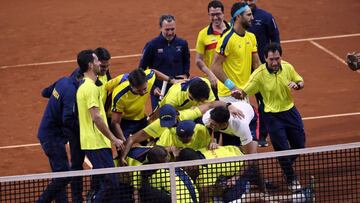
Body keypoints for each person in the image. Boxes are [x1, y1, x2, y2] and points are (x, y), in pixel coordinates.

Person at [237, 42, 306, 191]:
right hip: (272, 115)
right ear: (265, 59)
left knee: (299, 145)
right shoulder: (258, 75)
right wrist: (237, 92)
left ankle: (285, 164)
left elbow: (300, 81)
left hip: (290, 111)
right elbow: (244, 91)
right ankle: (291, 177)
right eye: (271, 59)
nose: (275, 62)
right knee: (281, 147)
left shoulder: (287, 67)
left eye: (277, 58)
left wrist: (298, 85)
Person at [119, 102, 244, 166]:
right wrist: (122, 157)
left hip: (194, 137)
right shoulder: (160, 126)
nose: (167, 126)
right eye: (165, 123)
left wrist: (229, 105)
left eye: (170, 123)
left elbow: (211, 104)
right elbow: (132, 139)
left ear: (177, 116)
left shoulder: (189, 116)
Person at [76, 49, 123, 202]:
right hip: (95, 142)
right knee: (111, 183)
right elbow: (96, 117)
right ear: (90, 65)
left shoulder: (86, 85)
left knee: (104, 182)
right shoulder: (90, 88)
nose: (100, 64)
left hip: (97, 142)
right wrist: (114, 138)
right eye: (97, 61)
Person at [37, 69, 85, 203]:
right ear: (80, 78)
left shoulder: (62, 81)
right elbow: (68, 119)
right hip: (52, 139)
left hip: (48, 134)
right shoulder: (71, 92)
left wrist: (58, 98)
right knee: (64, 176)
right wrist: (82, 129)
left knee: (60, 174)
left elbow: (45, 92)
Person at [241, 0, 281, 147]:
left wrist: (274, 61)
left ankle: (263, 134)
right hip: (243, 68)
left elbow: (275, 40)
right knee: (241, 99)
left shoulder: (266, 17)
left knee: (263, 100)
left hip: (261, 67)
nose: (248, 1)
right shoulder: (238, 18)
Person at [110, 68, 181, 142]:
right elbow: (115, 123)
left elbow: (154, 72)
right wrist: (123, 141)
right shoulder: (120, 96)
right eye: (138, 91)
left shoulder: (149, 76)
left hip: (140, 117)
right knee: (124, 148)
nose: (143, 92)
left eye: (145, 89)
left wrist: (172, 80)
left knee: (152, 141)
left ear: (147, 81)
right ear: (131, 86)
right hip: (125, 122)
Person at [211, 2, 261, 103]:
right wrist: (232, 87)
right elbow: (215, 66)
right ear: (238, 16)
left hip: (243, 92)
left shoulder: (251, 37)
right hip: (229, 95)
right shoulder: (227, 39)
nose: (252, 18)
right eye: (249, 15)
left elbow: (256, 64)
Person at [139, 14, 191, 110]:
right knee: (160, 118)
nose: (170, 32)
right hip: (159, 90)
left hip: (178, 88)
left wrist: (186, 75)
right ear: (160, 28)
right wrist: (153, 88)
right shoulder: (152, 45)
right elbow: (141, 69)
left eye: (172, 29)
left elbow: (186, 61)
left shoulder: (182, 44)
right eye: (167, 29)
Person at [176, 146, 248, 203]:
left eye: (185, 166)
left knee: (229, 197)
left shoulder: (207, 171)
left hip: (243, 167)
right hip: (234, 149)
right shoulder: (200, 151)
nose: (184, 168)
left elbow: (206, 197)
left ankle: (249, 190)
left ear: (191, 165)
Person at [195, 0, 230, 88]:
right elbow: (198, 60)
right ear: (209, 15)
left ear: (223, 14)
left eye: (218, 14)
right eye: (212, 15)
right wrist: (210, 74)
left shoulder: (233, 31)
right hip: (214, 82)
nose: (215, 18)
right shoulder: (203, 34)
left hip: (232, 79)